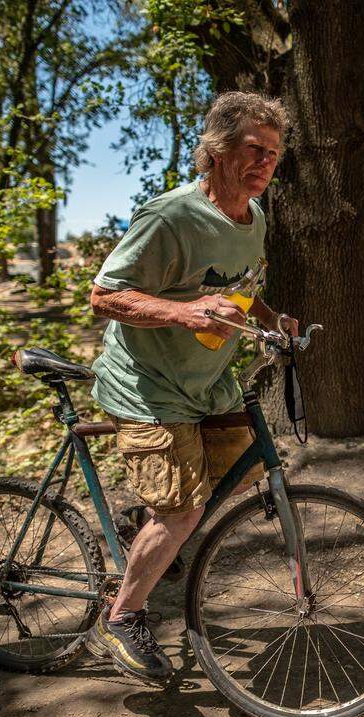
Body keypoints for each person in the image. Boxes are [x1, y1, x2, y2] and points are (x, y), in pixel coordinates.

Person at [83, 92, 298, 682]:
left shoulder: (254, 221)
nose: (265, 164)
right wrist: (182, 313)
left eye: (274, 155)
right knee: (185, 510)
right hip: (149, 386)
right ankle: (122, 615)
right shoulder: (169, 217)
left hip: (208, 382)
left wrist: (272, 319)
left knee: (243, 468)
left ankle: (142, 525)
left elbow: (242, 289)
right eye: (254, 149)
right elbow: (103, 296)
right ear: (219, 150)